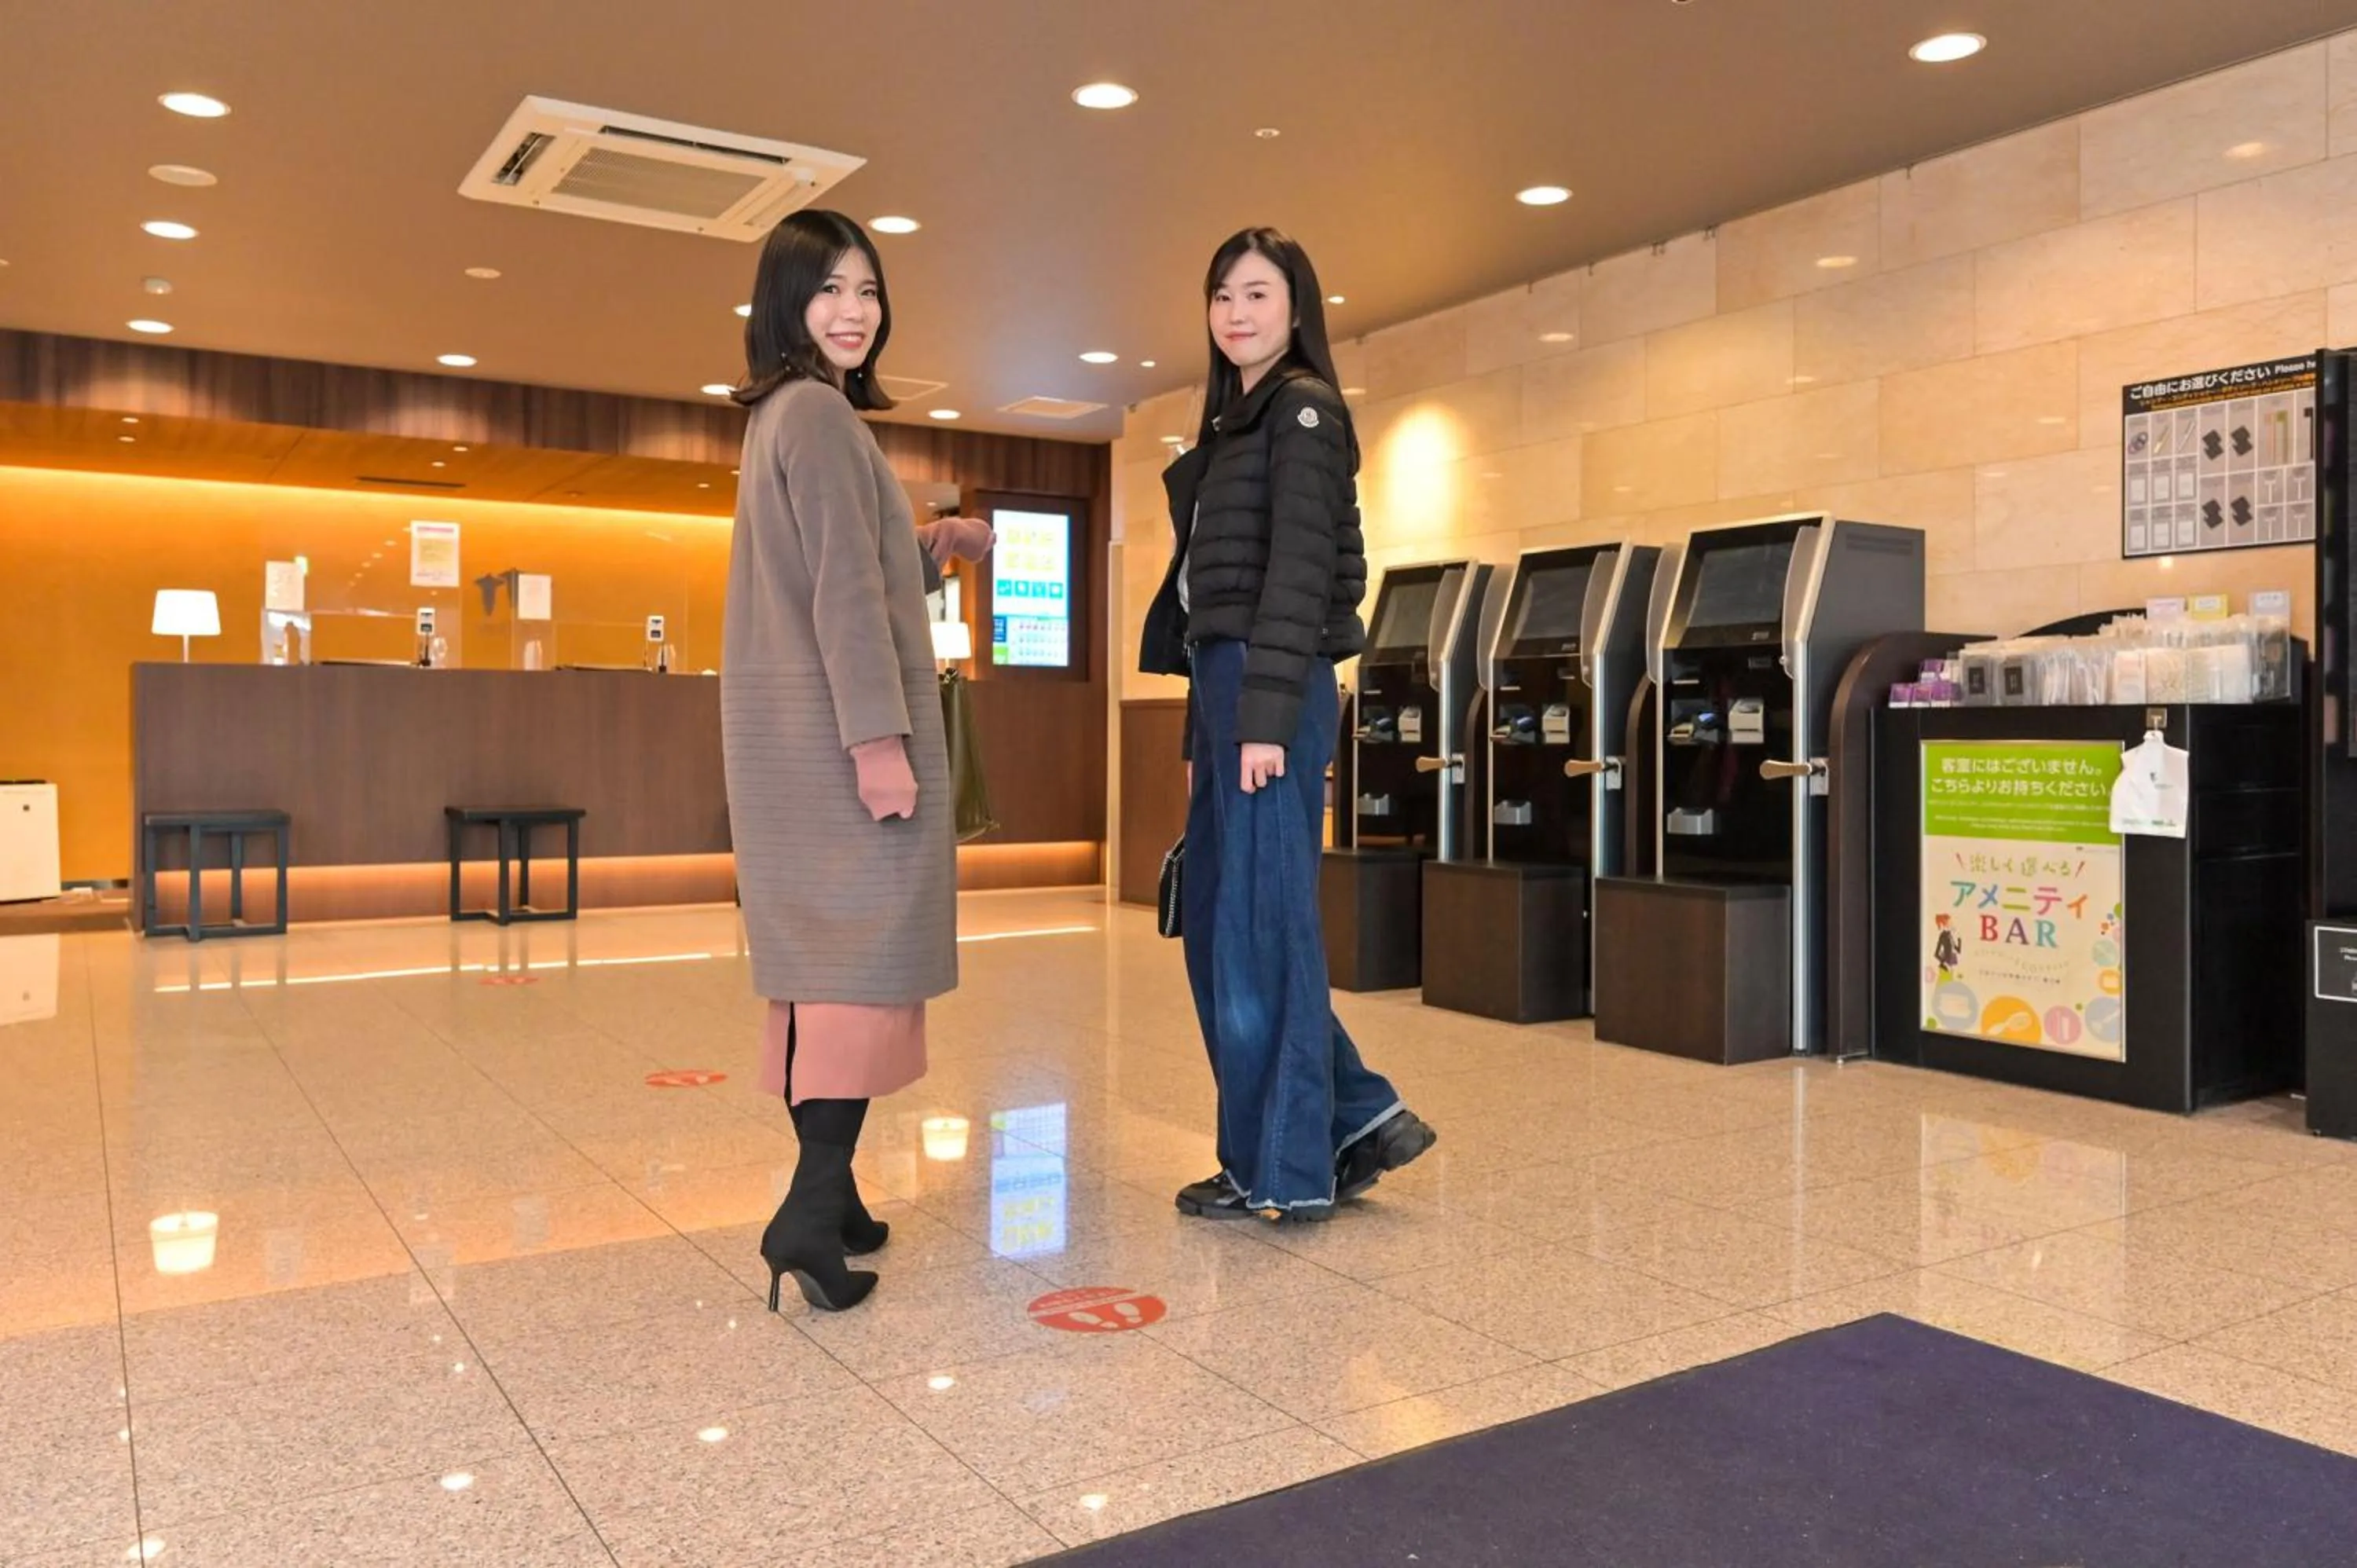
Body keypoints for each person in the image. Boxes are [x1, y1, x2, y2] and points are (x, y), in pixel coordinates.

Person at [1138, 226, 1436, 1222]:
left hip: (1273, 690)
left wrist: (1261, 722)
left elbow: (1298, 578)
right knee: (1220, 923)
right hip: (1229, 692)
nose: (1237, 313)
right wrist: (1210, 733)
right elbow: (1208, 599)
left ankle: (1287, 1164)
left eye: (1258, 294)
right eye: (1223, 295)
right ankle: (1352, 1116)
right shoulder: (1237, 425)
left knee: (1260, 928)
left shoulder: (1303, 413)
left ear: (1297, 309)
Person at [722, 210, 990, 1311]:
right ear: (787, 304)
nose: (852, 311)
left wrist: (930, 547)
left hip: (788, 746)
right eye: (829, 290)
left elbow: (845, 569)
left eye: (868, 291)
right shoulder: (823, 424)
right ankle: (808, 1207)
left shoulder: (787, 417)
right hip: (842, 748)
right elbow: (840, 598)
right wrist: (881, 745)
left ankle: (832, 1200)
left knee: (814, 975)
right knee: (860, 979)